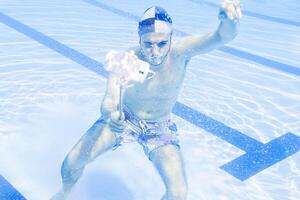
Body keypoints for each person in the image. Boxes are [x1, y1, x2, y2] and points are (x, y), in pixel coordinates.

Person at [51, 1, 241, 199]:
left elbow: (221, 36)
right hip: (125, 120)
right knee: (71, 163)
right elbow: (109, 100)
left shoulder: (181, 51)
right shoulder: (127, 58)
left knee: (178, 193)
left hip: (159, 126)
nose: (155, 51)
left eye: (161, 44)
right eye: (148, 44)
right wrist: (112, 115)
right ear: (139, 39)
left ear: (170, 39)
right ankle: (65, 192)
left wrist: (229, 20)